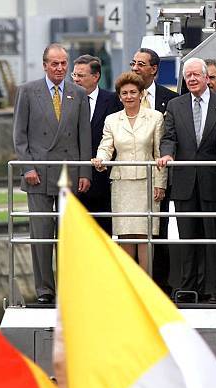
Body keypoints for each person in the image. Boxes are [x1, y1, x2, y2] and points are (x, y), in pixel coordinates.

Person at [13, 43, 92, 305]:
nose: (59, 68)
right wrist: (28, 168)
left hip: (69, 172)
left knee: (69, 235)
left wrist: (85, 172)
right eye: (54, 63)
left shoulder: (78, 93)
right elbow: (19, 136)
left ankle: (69, 287)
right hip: (38, 174)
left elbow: (84, 137)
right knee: (42, 235)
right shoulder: (27, 91)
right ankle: (45, 290)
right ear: (45, 64)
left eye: (63, 63)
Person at [157, 58, 216, 303]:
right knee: (188, 238)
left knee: (213, 238)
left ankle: (215, 290)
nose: (192, 79)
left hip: (212, 179)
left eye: (197, 75)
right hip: (185, 181)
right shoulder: (175, 105)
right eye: (188, 76)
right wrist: (167, 153)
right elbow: (169, 136)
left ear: (208, 77)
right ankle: (188, 288)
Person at [92, 72, 166, 271]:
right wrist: (100, 159)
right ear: (119, 96)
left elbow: (159, 152)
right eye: (124, 93)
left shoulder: (155, 117)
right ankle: (130, 289)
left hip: (147, 183)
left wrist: (160, 183)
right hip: (122, 183)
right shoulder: (112, 120)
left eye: (133, 92)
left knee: (145, 235)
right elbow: (106, 147)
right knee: (124, 235)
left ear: (141, 94)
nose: (129, 96)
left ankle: (146, 288)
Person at [131, 48, 178, 293]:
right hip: (132, 179)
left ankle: (161, 284)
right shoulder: (125, 96)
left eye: (141, 64)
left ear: (154, 69)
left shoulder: (171, 99)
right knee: (132, 232)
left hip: (162, 176)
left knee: (159, 230)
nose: (135, 68)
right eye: (133, 63)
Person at [72, 54, 123, 235]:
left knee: (103, 233)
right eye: (74, 75)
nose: (76, 79)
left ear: (96, 77)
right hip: (73, 178)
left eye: (81, 75)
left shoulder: (113, 101)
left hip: (102, 180)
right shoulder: (66, 101)